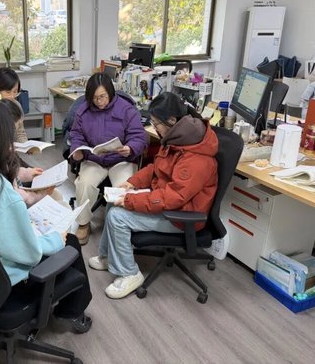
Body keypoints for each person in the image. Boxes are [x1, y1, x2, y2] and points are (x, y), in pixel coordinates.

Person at [0, 96, 92, 331]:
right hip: (7, 284)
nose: (11, 145)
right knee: (70, 241)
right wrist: (56, 239)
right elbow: (29, 254)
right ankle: (71, 312)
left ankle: (69, 308)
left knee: (51, 234)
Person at [88, 92, 219, 299]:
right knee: (114, 203)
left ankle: (129, 273)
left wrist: (132, 200)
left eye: (156, 123)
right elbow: (156, 168)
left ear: (172, 120)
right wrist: (133, 183)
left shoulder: (195, 157)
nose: (153, 127)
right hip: (167, 202)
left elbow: (173, 197)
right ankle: (108, 257)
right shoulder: (178, 138)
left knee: (117, 216)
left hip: (181, 216)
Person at [69, 72, 147, 245]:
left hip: (121, 160)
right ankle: (83, 224)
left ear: (110, 93)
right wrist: (77, 150)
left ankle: (120, 227)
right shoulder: (84, 110)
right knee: (84, 183)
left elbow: (139, 137)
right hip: (95, 159)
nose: (98, 101)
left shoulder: (126, 109)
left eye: (102, 96)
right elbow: (76, 135)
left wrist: (130, 148)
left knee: (124, 188)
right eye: (94, 98)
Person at [0, 95, 67, 208]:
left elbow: (11, 172)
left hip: (18, 198)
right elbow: (20, 197)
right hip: (17, 206)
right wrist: (41, 194)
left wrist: (29, 173)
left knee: (57, 196)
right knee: (59, 203)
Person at [0, 67, 27, 142]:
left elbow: (20, 132)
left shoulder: (17, 105)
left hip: (14, 147)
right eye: (8, 92)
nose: (12, 96)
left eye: (15, 92)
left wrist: (25, 145)